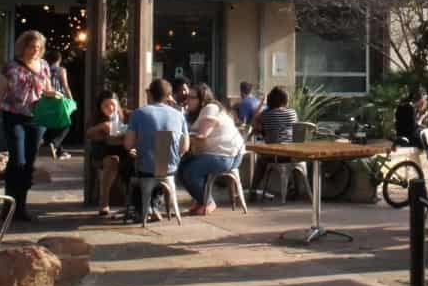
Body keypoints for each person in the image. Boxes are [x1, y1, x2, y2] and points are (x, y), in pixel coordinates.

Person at [0, 30, 51, 222]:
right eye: (31, 47)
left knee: (29, 164)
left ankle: (21, 206)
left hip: (37, 119)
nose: (35, 51)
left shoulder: (44, 66)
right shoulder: (11, 67)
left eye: (38, 47)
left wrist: (57, 99)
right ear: (24, 46)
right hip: (14, 116)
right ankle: (9, 206)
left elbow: (48, 90)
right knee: (18, 160)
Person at [122, 78, 189, 222]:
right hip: (169, 168)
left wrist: (139, 147)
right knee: (159, 163)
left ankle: (141, 208)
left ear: (150, 94)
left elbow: (128, 144)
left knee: (127, 167)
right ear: (169, 96)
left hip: (147, 168)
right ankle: (153, 205)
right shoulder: (179, 115)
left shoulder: (139, 113)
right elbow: (185, 147)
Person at [178, 84, 246, 216]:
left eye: (192, 97)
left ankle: (208, 202)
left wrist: (184, 136)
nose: (188, 101)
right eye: (187, 97)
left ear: (202, 99)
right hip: (216, 153)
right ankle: (201, 199)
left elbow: (202, 135)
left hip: (227, 155)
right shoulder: (196, 113)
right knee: (181, 168)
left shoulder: (210, 108)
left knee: (190, 171)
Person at [85, 90, 133, 217]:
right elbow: (88, 133)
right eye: (105, 105)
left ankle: (133, 203)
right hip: (103, 152)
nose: (110, 108)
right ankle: (104, 201)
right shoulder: (96, 118)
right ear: (100, 107)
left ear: (118, 104)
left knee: (135, 161)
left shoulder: (127, 116)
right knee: (112, 161)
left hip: (124, 151)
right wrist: (101, 127)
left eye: (112, 104)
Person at [252, 86, 298, 195]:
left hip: (274, 155)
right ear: (285, 100)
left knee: (260, 161)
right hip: (291, 154)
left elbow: (254, 124)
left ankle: (253, 190)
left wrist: (260, 105)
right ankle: (294, 190)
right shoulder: (292, 113)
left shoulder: (266, 114)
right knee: (290, 162)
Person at [394, 88, 428, 169]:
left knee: (425, 133)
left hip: (401, 134)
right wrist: (421, 123)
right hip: (410, 137)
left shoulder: (401, 106)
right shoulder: (410, 108)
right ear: (421, 100)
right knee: (426, 134)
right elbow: (413, 128)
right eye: (425, 100)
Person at [41, 50, 74, 160]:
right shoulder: (61, 70)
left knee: (52, 124)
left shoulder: (42, 69)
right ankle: (54, 144)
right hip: (58, 99)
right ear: (59, 59)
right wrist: (71, 101)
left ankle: (59, 150)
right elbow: (65, 86)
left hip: (45, 100)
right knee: (66, 124)